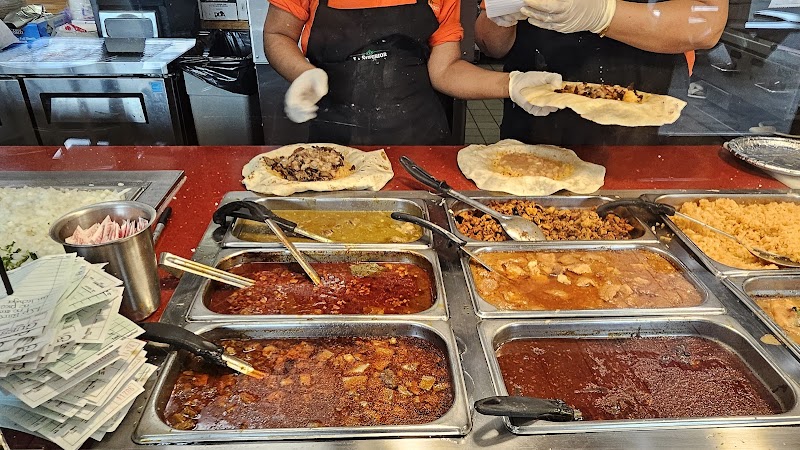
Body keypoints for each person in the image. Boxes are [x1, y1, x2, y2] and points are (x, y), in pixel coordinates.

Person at [263, 0, 563, 145]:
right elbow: (278, 34)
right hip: (335, 139)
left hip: (420, 143)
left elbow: (445, 71)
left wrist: (512, 84)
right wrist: (302, 73)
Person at [475, 0, 728, 145]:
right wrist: (504, 12)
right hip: (537, 115)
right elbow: (491, 44)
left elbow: (708, 24)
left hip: (644, 115)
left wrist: (602, 15)